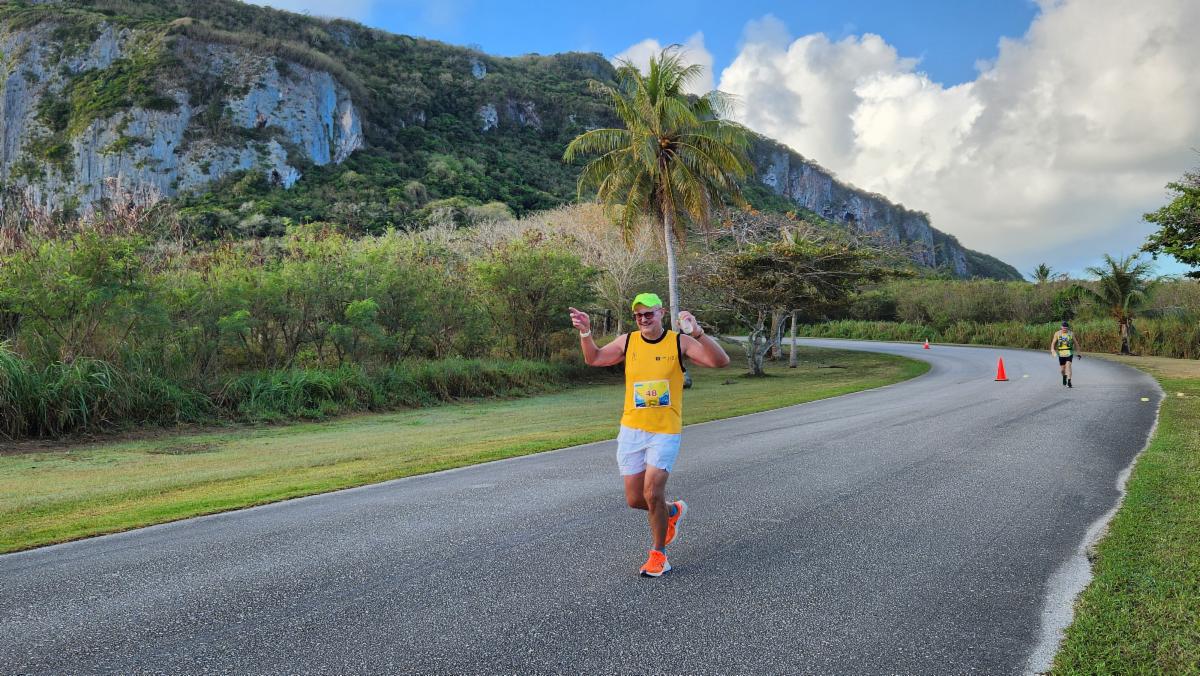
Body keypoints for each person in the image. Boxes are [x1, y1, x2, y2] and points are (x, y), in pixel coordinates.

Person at [568, 293, 730, 577]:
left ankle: (659, 555)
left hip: (664, 431)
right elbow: (594, 358)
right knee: (635, 499)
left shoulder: (679, 342)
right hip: (632, 429)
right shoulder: (627, 341)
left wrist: (698, 332)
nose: (644, 319)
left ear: (661, 313)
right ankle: (671, 512)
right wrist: (585, 332)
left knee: (652, 492)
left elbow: (720, 362)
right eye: (639, 315)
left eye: (649, 313)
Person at [1050, 321, 1082, 387]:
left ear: (1068, 328)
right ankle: (1064, 377)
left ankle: (1069, 382)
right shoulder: (1057, 333)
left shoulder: (1071, 333)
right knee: (1062, 370)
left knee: (1068, 366)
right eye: (1063, 328)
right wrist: (1052, 350)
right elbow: (1053, 343)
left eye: (1066, 328)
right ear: (1061, 327)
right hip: (1061, 353)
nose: (1065, 329)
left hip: (1069, 352)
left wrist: (1079, 353)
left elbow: (1076, 343)